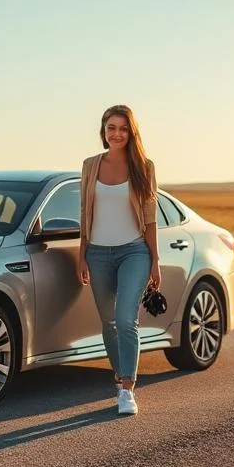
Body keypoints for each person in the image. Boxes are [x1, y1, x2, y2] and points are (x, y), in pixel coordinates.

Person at [78, 104, 161, 415]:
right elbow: (85, 212)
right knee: (108, 322)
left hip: (134, 251)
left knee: (126, 318)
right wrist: (81, 254)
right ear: (103, 131)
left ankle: (127, 388)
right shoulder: (89, 166)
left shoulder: (144, 167)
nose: (117, 134)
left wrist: (154, 260)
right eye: (111, 128)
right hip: (97, 253)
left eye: (123, 129)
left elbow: (150, 218)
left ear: (131, 132)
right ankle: (118, 375)